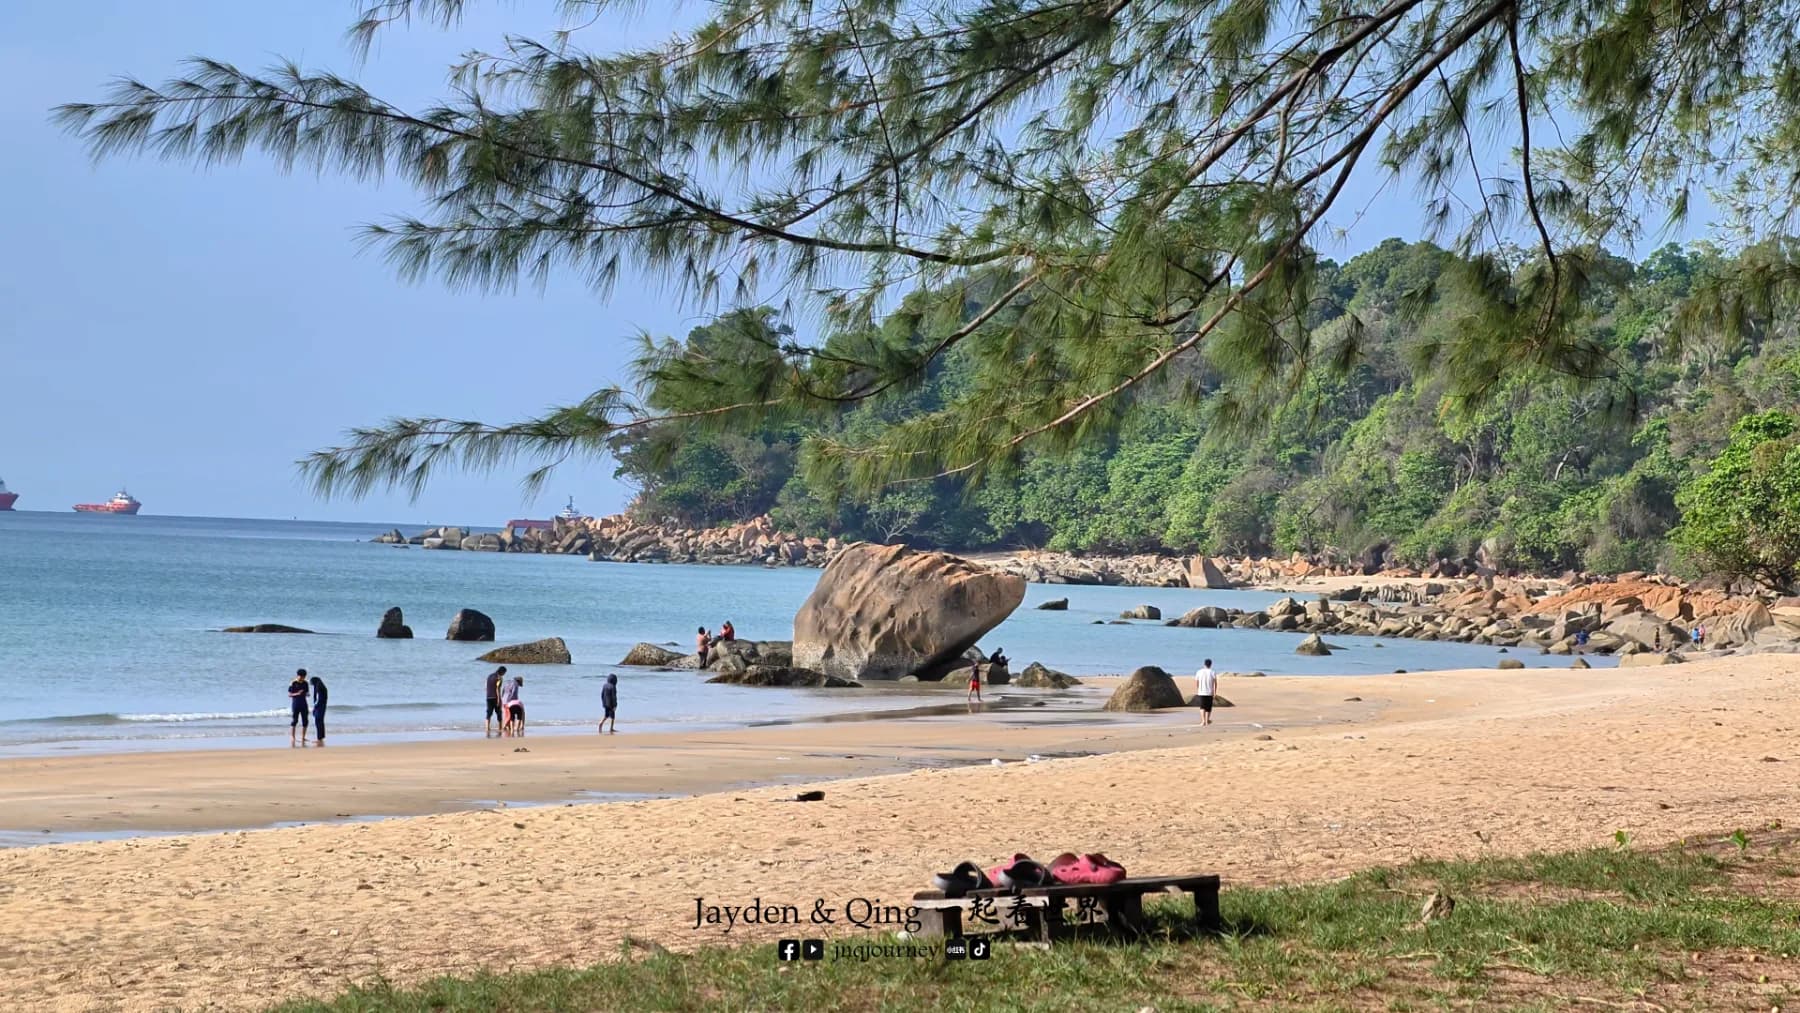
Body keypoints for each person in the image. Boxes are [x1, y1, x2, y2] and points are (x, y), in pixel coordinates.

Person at [287, 669, 311, 746]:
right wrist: (297, 693)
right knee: (295, 720)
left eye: (304, 677)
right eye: (301, 677)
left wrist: (307, 694)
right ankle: (293, 737)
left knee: (305, 721)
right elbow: (290, 695)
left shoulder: (305, 683)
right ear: (298, 675)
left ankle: (303, 737)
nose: (302, 678)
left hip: (304, 703)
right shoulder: (293, 683)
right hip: (296, 703)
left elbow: (307, 692)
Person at [484, 666, 508, 735]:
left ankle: (487, 728)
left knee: (489, 713)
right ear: (502, 672)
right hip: (495, 697)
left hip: (488, 697)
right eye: (504, 673)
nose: (504, 674)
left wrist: (488, 692)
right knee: (499, 713)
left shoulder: (489, 676)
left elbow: (485, 685)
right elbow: (497, 689)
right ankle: (500, 728)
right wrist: (499, 699)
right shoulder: (499, 678)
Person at [1195, 658, 1218, 726]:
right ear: (1210, 665)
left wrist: (1198, 689)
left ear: (1204, 664)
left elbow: (1197, 681)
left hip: (1201, 691)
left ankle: (1203, 721)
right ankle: (1207, 721)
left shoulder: (1199, 671)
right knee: (1208, 707)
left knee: (1202, 707)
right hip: (1209, 692)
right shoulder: (1212, 672)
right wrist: (1215, 692)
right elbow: (1215, 683)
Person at [309, 672, 329, 745]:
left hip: (320, 706)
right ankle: (321, 737)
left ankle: (319, 738)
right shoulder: (321, 686)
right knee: (320, 722)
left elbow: (318, 698)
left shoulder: (319, 687)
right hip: (322, 706)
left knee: (318, 722)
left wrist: (315, 707)